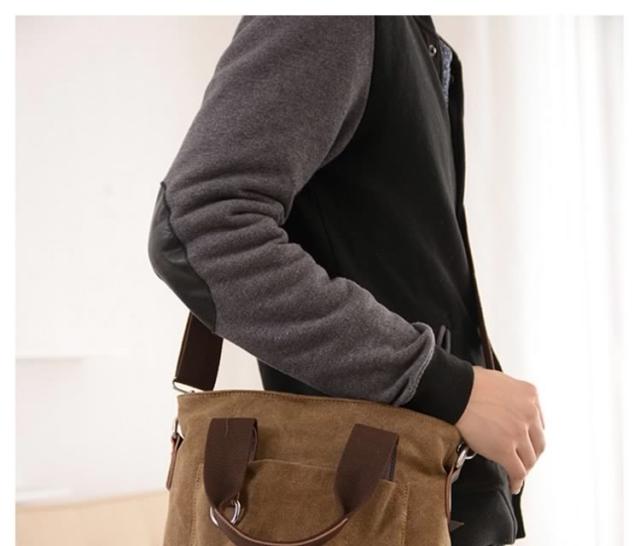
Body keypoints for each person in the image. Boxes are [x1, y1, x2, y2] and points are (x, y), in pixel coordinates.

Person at [147, 15, 545, 546]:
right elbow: (201, 226)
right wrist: (446, 385)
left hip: (426, 493)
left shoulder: (417, 40)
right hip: (374, 502)